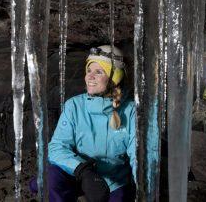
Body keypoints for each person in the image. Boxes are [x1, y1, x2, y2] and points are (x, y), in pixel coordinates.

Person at [32, 45, 136, 202]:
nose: (90, 76)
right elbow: (57, 148)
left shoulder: (131, 110)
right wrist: (83, 170)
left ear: (115, 78)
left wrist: (143, 187)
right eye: (89, 71)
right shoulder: (74, 106)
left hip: (114, 181)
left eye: (99, 72)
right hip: (79, 176)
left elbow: (138, 155)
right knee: (51, 177)